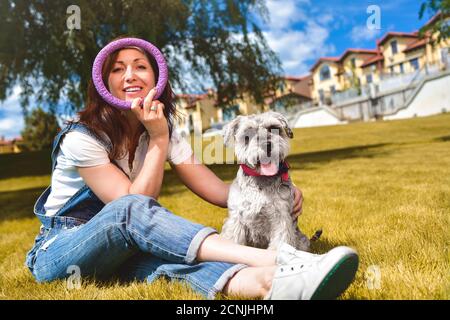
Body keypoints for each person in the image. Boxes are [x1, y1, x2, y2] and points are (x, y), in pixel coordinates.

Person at [25, 37, 359, 300]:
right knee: (130, 210)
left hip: (120, 250)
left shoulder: (165, 127)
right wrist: (158, 139)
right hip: (62, 251)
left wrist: (275, 186)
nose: (129, 75)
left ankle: (272, 283)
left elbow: (220, 192)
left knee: (179, 262)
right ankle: (277, 260)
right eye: (117, 69)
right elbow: (133, 206)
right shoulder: (82, 137)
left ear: (157, 78)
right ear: (103, 82)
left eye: (140, 66)